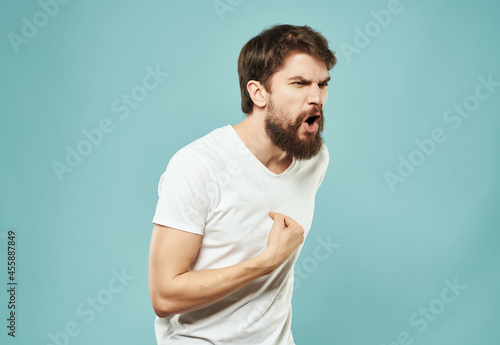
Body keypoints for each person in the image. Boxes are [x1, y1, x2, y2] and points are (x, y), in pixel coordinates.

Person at [148, 24, 337, 344]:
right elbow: (164, 296)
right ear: (258, 92)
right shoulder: (198, 165)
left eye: (322, 84)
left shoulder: (313, 160)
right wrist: (266, 262)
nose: (316, 97)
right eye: (300, 83)